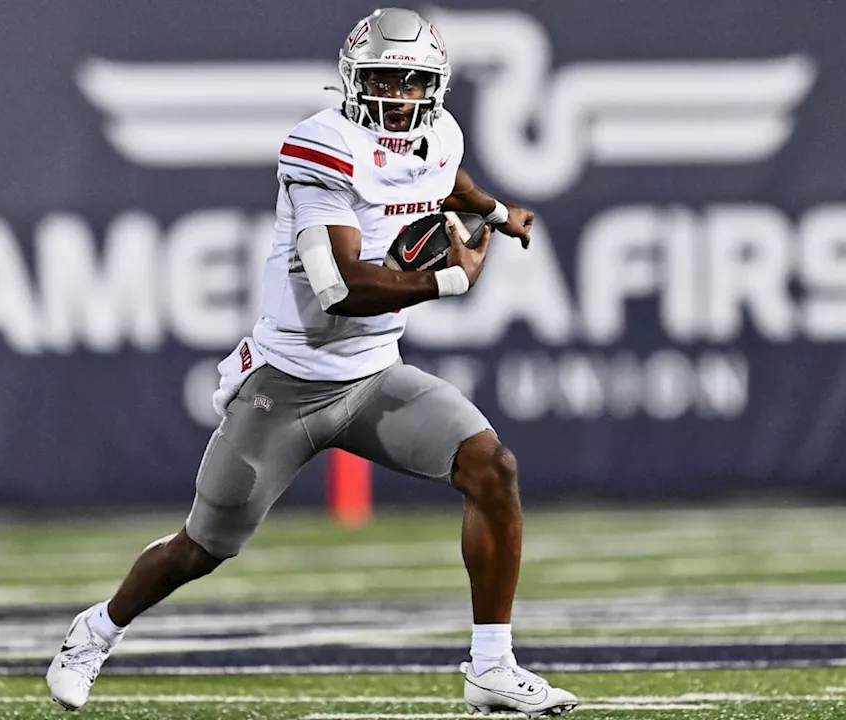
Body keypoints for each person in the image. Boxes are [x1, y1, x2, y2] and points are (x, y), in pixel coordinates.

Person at [45, 8, 579, 715]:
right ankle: (95, 632)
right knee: (204, 545)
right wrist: (453, 278)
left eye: (412, 82)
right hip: (288, 384)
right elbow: (343, 289)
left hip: (375, 376)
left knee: (492, 468)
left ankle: (491, 667)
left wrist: (497, 209)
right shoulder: (321, 145)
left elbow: (443, 177)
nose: (398, 97)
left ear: (436, 87)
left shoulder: (439, 134)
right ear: (353, 80)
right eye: (384, 79)